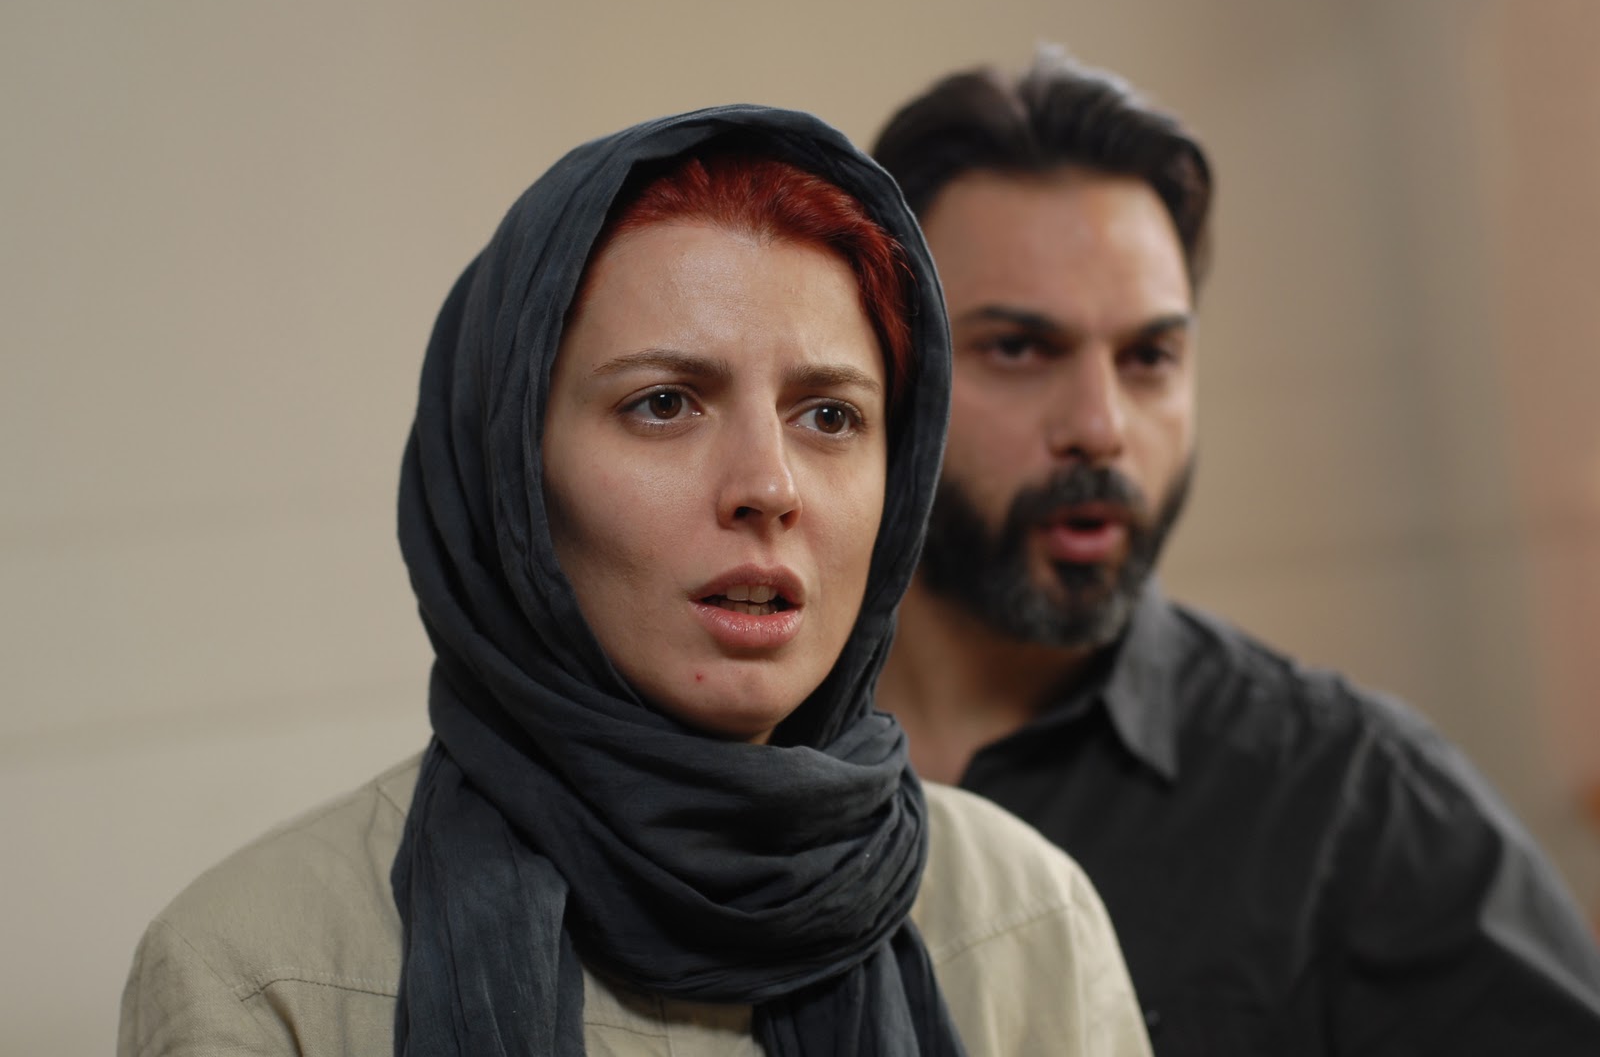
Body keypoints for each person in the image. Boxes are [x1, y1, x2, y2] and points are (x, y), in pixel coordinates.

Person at [117, 105, 1153, 1056]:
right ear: (510, 480)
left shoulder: (1028, 925)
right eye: (664, 403)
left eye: (829, 415)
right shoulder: (261, 977)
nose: (767, 486)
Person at [869, 49, 1600, 1055]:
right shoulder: (724, 749)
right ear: (883, 367)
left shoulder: (1353, 802)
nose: (1100, 427)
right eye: (1020, 348)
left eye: (1149, 357)